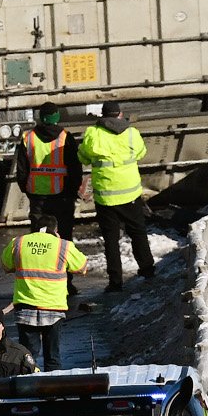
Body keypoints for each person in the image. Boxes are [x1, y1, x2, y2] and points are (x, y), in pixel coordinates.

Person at [76, 101, 155, 292]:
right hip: (130, 194)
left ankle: (115, 281)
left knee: (111, 240)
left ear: (102, 115)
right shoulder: (131, 133)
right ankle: (147, 269)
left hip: (106, 197)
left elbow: (83, 157)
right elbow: (141, 153)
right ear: (120, 114)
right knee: (138, 233)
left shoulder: (93, 134)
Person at [0, 213, 86, 368]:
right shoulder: (63, 246)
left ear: (35, 229)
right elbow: (81, 267)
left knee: (27, 357)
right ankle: (52, 390)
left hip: (25, 306)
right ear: (56, 230)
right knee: (52, 357)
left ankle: (27, 389)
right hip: (53, 308)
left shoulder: (18, 243)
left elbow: (6, 265)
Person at [14, 103, 82, 240]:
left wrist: (26, 188)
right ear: (57, 116)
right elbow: (75, 168)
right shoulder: (65, 137)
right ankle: (62, 260)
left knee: (39, 236)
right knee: (64, 236)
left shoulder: (28, 138)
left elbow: (21, 169)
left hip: (37, 195)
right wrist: (74, 189)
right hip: (62, 195)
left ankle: (40, 261)